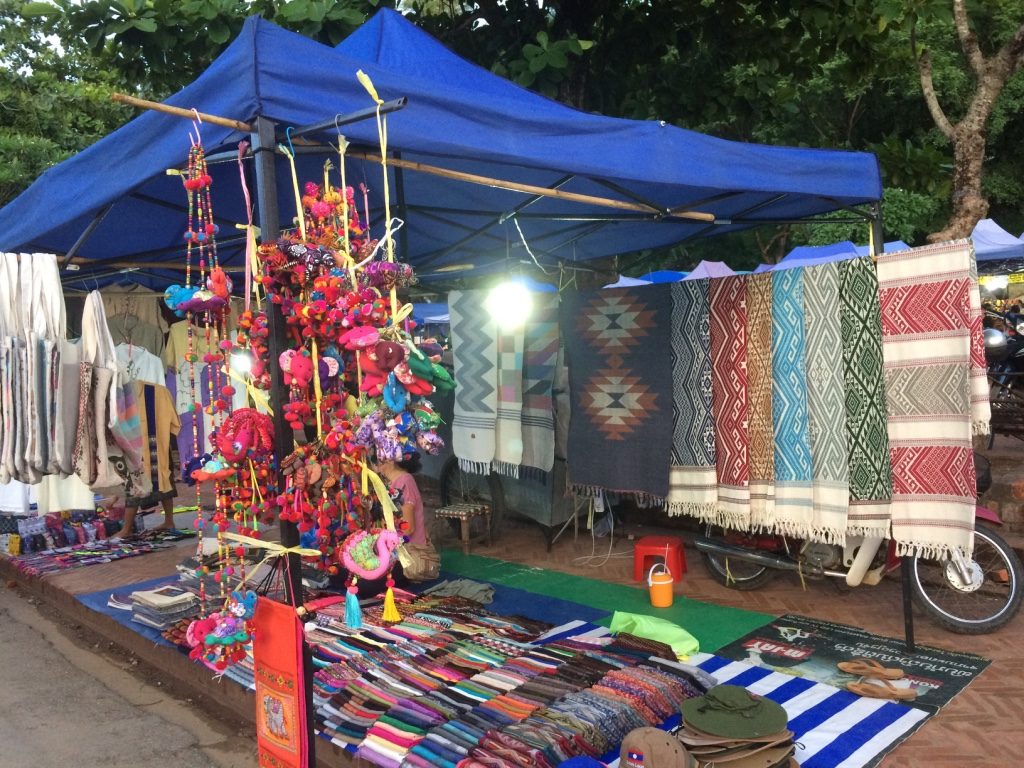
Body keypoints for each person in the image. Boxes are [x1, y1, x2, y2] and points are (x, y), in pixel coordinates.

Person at [375, 453, 427, 546]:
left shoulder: (404, 481)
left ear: (390, 460)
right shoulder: (386, 483)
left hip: (410, 553)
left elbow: (407, 528)